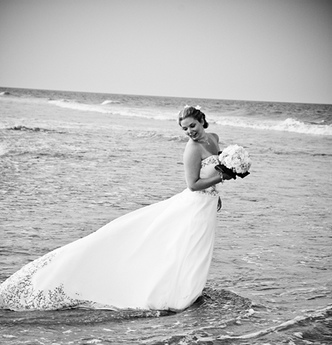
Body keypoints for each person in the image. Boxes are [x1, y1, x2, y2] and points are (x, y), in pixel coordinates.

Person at [0, 106, 230, 312]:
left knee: (198, 248)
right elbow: (193, 184)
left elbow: (212, 173)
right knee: (182, 245)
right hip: (194, 205)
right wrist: (221, 177)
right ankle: (177, 293)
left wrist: (216, 190)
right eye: (184, 129)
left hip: (207, 204)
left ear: (202, 121)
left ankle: (190, 288)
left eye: (192, 125)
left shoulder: (214, 138)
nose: (189, 131)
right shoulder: (191, 149)